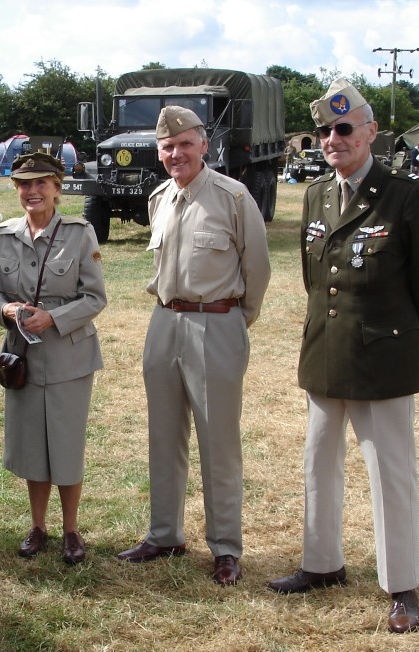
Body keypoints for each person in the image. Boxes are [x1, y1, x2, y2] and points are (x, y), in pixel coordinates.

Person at [266, 78, 419, 634]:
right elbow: (312, 276)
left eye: (344, 128)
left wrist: (402, 339)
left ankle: (401, 586)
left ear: (371, 132)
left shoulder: (405, 194)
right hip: (326, 352)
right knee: (318, 463)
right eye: (324, 130)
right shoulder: (316, 193)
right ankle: (321, 564)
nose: (332, 139)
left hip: (385, 361)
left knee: (390, 472)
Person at [117, 106, 271, 587]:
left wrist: (233, 321)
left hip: (216, 324)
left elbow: (258, 268)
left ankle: (225, 547)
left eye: (185, 143)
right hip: (164, 323)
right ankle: (165, 534)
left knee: (217, 442)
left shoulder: (233, 196)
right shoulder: (160, 197)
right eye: (167, 146)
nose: (176, 153)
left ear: (205, 145)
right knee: (164, 436)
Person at [0, 153, 107, 564]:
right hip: (21, 357)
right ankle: (38, 526)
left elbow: (94, 298)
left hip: (69, 356)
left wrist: (53, 317)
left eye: (41, 184)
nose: (31, 192)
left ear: (57, 187)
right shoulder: (2, 235)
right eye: (23, 184)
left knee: (66, 447)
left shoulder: (79, 233)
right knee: (33, 447)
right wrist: (6, 311)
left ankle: (71, 530)